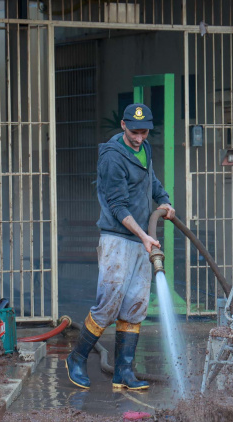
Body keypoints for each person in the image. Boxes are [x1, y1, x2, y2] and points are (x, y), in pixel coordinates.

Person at [66, 103, 175, 390]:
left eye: (145, 132)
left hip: (141, 239)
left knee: (136, 304)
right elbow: (117, 206)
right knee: (109, 303)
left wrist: (164, 200)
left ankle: (123, 371)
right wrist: (143, 235)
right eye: (135, 132)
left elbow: (151, 180)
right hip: (118, 239)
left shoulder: (144, 149)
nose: (140, 138)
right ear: (124, 126)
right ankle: (76, 358)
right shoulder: (112, 158)